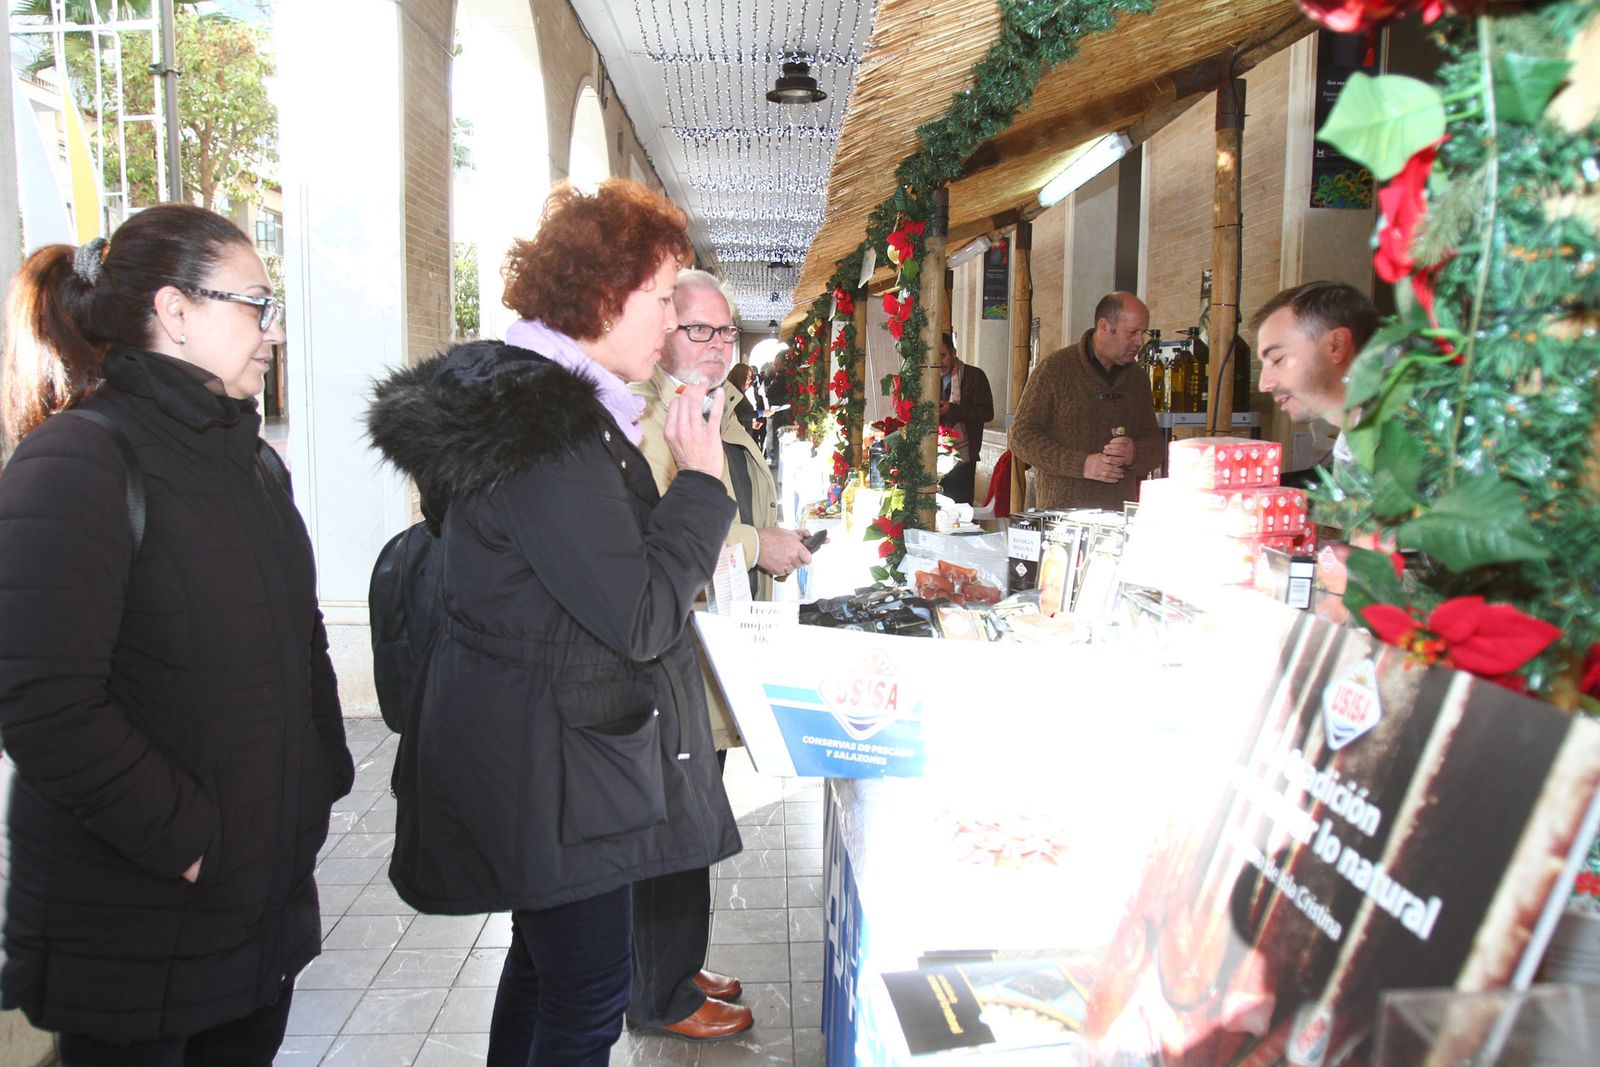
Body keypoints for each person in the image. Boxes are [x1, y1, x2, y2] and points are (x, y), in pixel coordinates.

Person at [366, 180, 741, 1067]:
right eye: (659, 301)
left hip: (552, 754)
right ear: (604, 295)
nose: (668, 322)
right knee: (587, 995)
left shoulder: (556, 409)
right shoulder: (550, 432)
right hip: (555, 768)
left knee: (545, 970)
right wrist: (700, 478)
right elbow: (643, 613)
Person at [0, 204, 354, 1066]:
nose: (271, 332)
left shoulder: (252, 462)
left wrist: (316, 781)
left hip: (255, 911)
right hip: (141, 919)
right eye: (254, 305)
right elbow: (43, 702)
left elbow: (298, 636)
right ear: (176, 310)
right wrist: (193, 843)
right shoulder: (80, 461)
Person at [627, 271, 813, 1041]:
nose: (717, 346)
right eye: (699, 330)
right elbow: (654, 531)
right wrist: (757, 545)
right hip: (674, 655)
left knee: (696, 819)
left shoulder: (718, 405)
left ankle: (678, 964)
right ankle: (658, 993)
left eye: (726, 332)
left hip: (717, 647)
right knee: (673, 830)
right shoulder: (647, 416)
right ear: (663, 330)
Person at [1009, 291, 1163, 511]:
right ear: (1103, 327)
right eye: (1132, 333)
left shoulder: (1137, 379)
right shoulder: (1055, 369)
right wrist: (1081, 465)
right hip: (1060, 515)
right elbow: (1020, 437)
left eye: (1143, 333)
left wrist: (1134, 453)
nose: (1140, 342)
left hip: (1118, 516)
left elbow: (1154, 444)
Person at [1253, 281, 1379, 484]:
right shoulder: (1351, 444)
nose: (1264, 384)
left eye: (1278, 359)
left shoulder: (1412, 446)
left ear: (1335, 346)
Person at [936, 331, 994, 504]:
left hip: (963, 455)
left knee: (959, 508)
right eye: (934, 357)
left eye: (943, 356)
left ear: (953, 353)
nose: (939, 362)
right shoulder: (929, 377)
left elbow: (987, 413)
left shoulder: (974, 376)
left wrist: (952, 410)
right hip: (934, 453)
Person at [727, 362, 765, 447]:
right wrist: (762, 413)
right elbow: (740, 415)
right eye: (747, 377)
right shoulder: (734, 393)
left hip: (742, 436)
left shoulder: (738, 392)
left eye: (751, 377)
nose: (750, 380)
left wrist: (750, 424)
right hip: (737, 440)